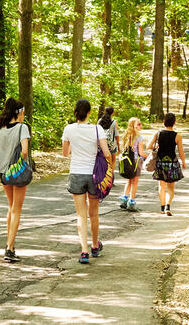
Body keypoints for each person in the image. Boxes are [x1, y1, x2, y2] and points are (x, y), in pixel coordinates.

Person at [62, 99, 111, 264]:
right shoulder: (98, 129)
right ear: (89, 112)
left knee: (81, 215)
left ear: (75, 112)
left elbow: (65, 153)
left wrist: (74, 145)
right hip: (94, 175)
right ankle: (95, 246)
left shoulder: (69, 129)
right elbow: (107, 153)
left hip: (76, 173)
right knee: (94, 213)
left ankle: (84, 251)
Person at [0, 98, 31, 262]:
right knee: (16, 209)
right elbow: (25, 151)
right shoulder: (22, 128)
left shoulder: (0, 129)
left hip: (4, 174)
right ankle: (9, 248)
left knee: (11, 207)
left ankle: (10, 245)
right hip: (18, 173)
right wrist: (20, 162)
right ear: (19, 112)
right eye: (22, 112)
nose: (23, 115)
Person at [148, 113, 186, 216]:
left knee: (161, 185)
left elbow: (149, 146)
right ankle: (168, 206)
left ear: (164, 121)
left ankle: (162, 207)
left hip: (160, 162)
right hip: (172, 163)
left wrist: (156, 148)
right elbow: (181, 152)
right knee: (171, 187)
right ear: (174, 122)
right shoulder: (177, 136)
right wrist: (183, 162)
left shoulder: (158, 133)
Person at [119, 117, 148, 212]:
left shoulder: (127, 136)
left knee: (129, 181)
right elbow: (141, 153)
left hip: (128, 162)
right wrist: (147, 156)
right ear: (133, 126)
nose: (141, 126)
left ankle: (124, 199)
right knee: (134, 182)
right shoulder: (139, 137)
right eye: (138, 124)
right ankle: (131, 202)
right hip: (136, 162)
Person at [98, 107, 120, 173]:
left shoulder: (99, 121)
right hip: (112, 145)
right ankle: (110, 178)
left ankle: (102, 178)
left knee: (102, 161)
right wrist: (118, 146)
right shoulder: (114, 122)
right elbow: (117, 136)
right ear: (112, 113)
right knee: (112, 162)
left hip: (101, 145)